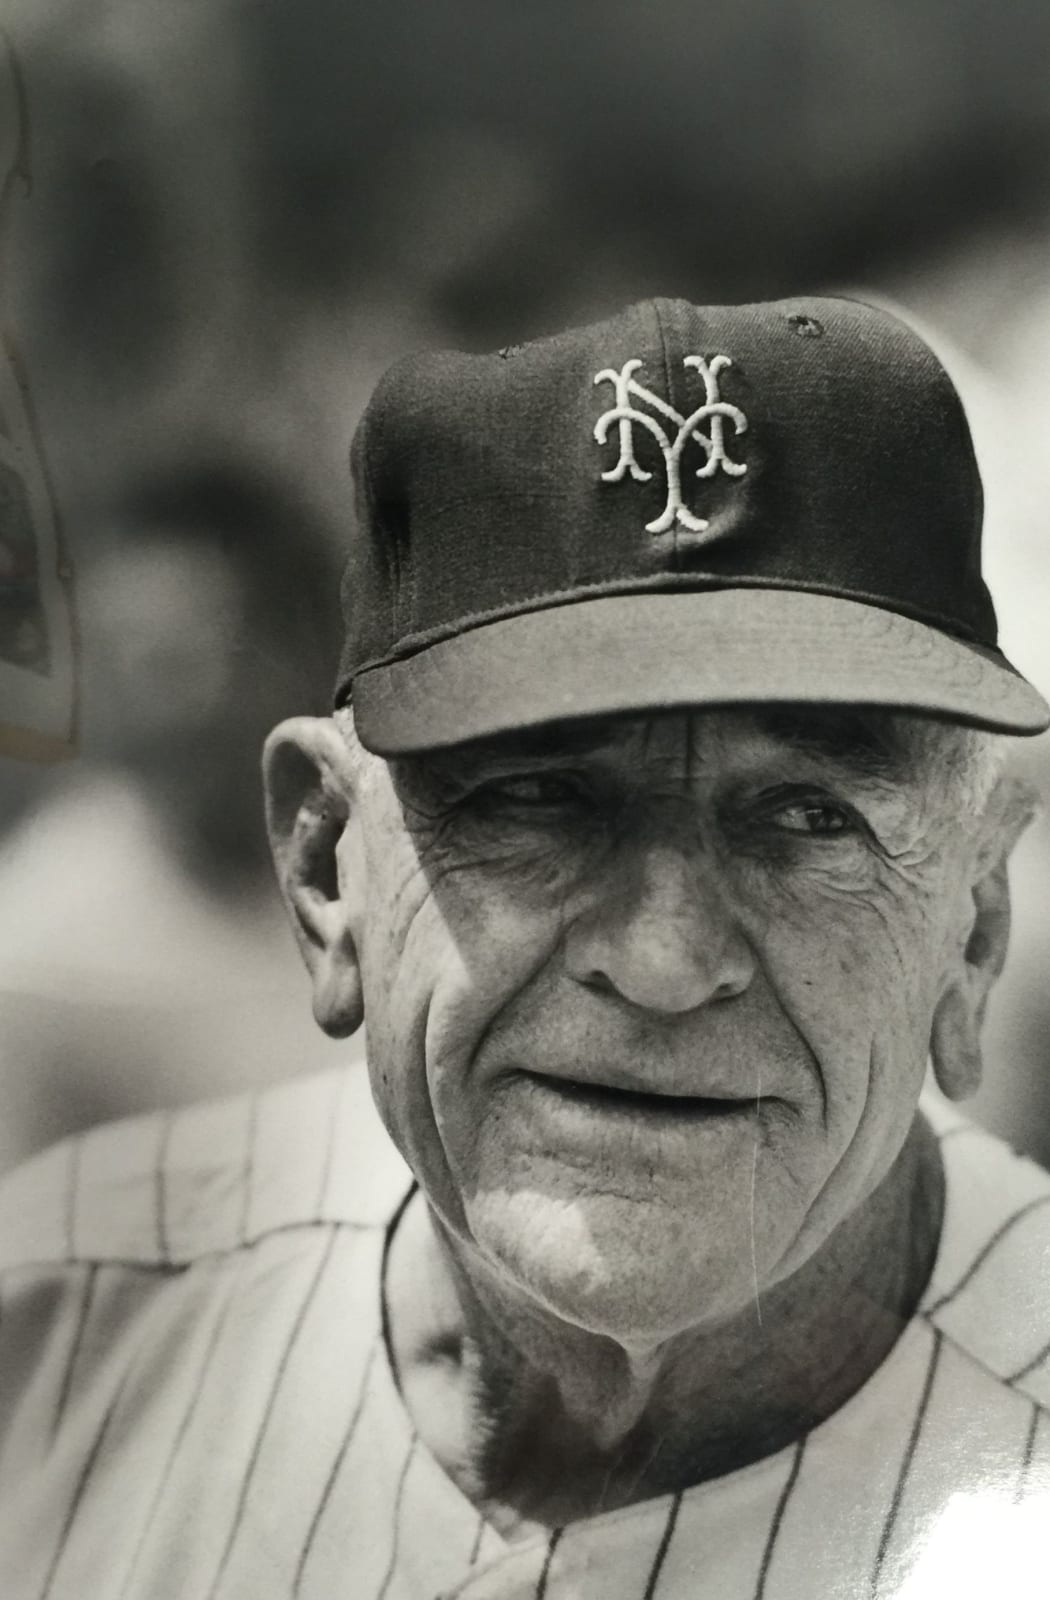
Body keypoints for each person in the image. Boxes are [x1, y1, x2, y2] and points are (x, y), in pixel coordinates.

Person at [2, 295, 1050, 1599]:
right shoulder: (61, 1339)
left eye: (802, 816)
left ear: (971, 934)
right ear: (327, 870)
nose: (665, 962)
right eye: (536, 800)